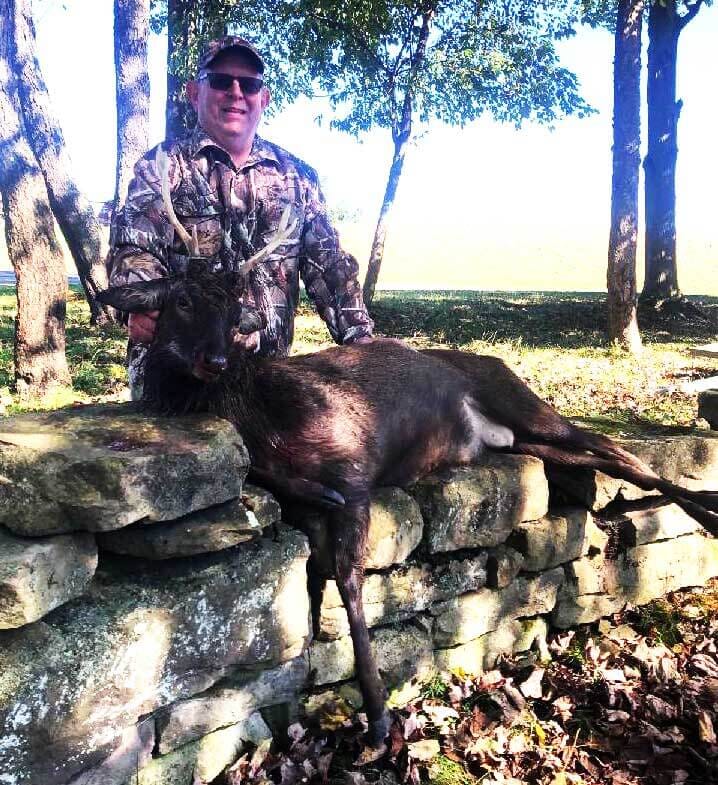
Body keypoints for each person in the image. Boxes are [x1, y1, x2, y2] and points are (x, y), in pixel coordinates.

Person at [107, 36, 373, 397]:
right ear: (193, 92)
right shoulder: (161, 168)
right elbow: (133, 249)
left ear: (263, 99)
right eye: (220, 81)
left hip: (265, 376)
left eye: (249, 85)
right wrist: (144, 310)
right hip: (182, 376)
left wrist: (363, 341)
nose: (235, 93)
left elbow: (330, 268)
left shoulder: (298, 178)